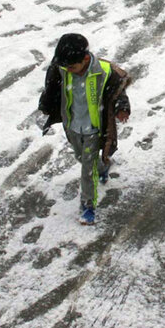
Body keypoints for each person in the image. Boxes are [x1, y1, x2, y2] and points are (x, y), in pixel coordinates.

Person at [37, 33, 132, 226]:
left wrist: (122, 107)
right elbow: (51, 89)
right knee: (81, 157)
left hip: (93, 128)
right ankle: (104, 166)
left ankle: (88, 205)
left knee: (87, 168)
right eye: (65, 67)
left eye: (72, 67)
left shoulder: (104, 71)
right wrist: (47, 105)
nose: (68, 70)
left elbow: (117, 91)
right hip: (72, 125)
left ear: (86, 59)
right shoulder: (61, 69)